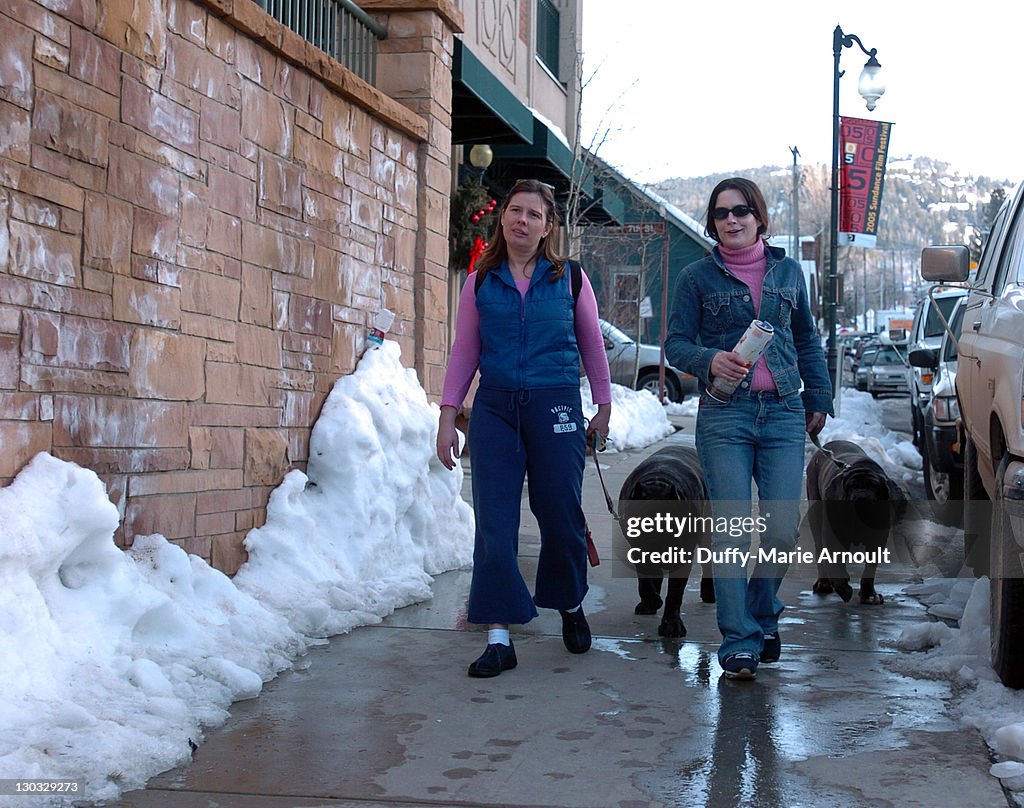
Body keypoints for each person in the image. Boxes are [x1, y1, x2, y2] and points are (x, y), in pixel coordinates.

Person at [436, 178, 612, 678]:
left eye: (534, 215)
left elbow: (592, 344)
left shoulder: (570, 278)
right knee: (494, 521)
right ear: (503, 217)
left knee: (559, 511)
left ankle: (569, 602)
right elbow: (464, 351)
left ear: (548, 226)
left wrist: (603, 404)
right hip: (495, 409)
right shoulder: (480, 280)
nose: (522, 221)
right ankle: (497, 634)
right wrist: (449, 414)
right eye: (515, 211)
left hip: (555, 404)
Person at [665, 177, 832, 681]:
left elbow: (807, 340)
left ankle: (762, 613)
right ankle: (738, 640)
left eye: (741, 211)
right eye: (720, 213)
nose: (731, 220)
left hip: (782, 411)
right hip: (725, 414)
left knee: (781, 529)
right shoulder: (697, 277)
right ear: (713, 222)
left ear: (759, 216)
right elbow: (675, 344)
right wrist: (709, 358)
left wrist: (818, 396)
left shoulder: (788, 272)